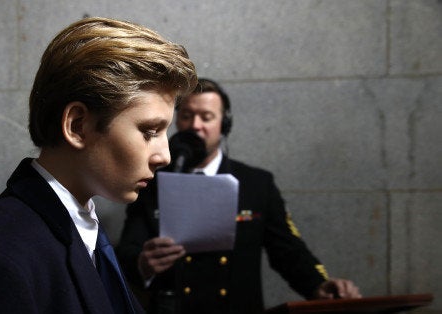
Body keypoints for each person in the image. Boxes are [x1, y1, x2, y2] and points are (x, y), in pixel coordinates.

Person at [0, 17, 197, 314]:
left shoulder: (80, 223)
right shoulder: (1, 257)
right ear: (77, 125)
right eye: (149, 132)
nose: (165, 156)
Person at [115, 78, 361, 314]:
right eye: (187, 116)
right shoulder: (151, 180)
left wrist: (318, 285)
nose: (195, 125)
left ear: (225, 124)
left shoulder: (256, 184)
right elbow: (128, 249)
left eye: (206, 117)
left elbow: (288, 250)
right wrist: (143, 264)